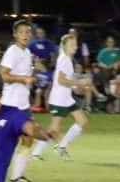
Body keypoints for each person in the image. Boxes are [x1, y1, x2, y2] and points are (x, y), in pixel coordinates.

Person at [31, 34, 90, 162]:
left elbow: (63, 80)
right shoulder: (65, 60)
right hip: (59, 100)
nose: (75, 47)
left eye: (75, 44)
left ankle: (61, 146)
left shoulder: (66, 59)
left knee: (82, 121)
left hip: (66, 99)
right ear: (64, 46)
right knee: (54, 131)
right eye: (71, 45)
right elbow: (61, 80)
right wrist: (79, 83)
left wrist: (74, 86)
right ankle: (36, 152)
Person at [0, 20, 36, 182]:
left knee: (28, 137)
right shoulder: (12, 52)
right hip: (10, 104)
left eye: (28, 32)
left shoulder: (27, 53)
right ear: (15, 34)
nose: (25, 35)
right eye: (22, 32)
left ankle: (16, 175)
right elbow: (3, 75)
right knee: (3, 143)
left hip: (23, 105)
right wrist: (23, 79)